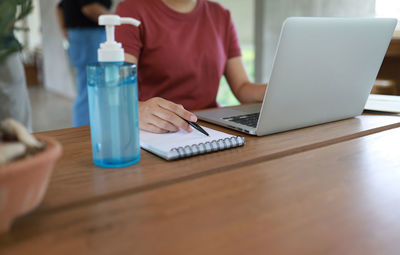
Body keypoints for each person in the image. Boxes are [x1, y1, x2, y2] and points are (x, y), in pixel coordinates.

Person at [115, 0, 267, 133]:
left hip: (211, 128)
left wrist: (272, 91)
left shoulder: (221, 15)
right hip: (160, 128)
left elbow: (241, 86)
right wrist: (136, 109)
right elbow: (118, 90)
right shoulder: (132, 10)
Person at [56, 0, 112, 127]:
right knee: (89, 88)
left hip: (83, 35)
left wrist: (64, 29)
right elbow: (89, 8)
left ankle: (89, 129)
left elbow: (60, 7)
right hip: (88, 36)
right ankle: (84, 132)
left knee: (88, 86)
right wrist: (117, 19)